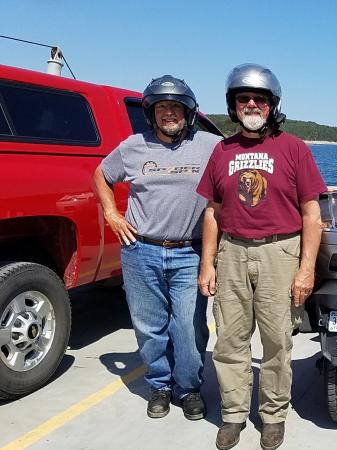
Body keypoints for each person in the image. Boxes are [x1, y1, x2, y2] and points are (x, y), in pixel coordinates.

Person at [196, 63, 326, 450]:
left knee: (276, 342)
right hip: (232, 252)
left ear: (272, 105)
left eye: (259, 99)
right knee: (229, 341)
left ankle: (273, 415)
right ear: (233, 106)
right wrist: (207, 263)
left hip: (279, 252)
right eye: (243, 99)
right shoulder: (222, 151)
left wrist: (305, 269)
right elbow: (212, 212)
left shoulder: (294, 149)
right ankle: (233, 415)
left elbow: (312, 215)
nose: (251, 104)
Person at [92, 75, 220, 420]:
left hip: (190, 252)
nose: (168, 113)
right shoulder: (133, 146)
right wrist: (111, 213)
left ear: (189, 112)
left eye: (175, 107)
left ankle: (188, 387)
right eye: (162, 107)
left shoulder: (209, 144)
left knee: (188, 327)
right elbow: (101, 175)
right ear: (151, 113)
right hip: (140, 250)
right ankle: (160, 385)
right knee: (149, 325)